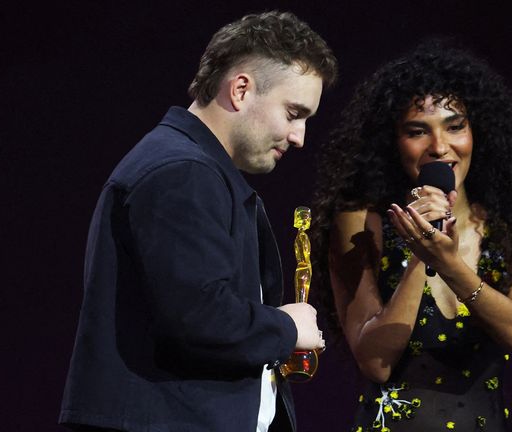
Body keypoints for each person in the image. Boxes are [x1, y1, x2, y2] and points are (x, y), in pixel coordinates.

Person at [59, 11, 337, 432]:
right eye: (293, 113)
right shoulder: (182, 170)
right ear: (241, 89)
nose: (299, 136)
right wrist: (285, 326)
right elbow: (197, 316)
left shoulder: (195, 168)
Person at [312, 41, 512, 431]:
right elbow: (375, 362)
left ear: (479, 132)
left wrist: (449, 263)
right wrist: (421, 255)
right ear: (393, 141)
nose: (440, 147)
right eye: (417, 131)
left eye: (455, 126)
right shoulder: (361, 223)